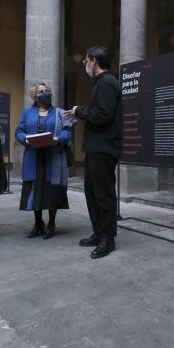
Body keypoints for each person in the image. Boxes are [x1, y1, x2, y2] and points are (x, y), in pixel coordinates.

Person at [65, 45, 122, 259]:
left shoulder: (107, 82)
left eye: (86, 60)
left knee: (103, 195)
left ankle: (108, 238)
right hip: (95, 147)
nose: (85, 65)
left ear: (93, 61)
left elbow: (104, 114)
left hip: (103, 148)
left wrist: (80, 111)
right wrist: (82, 114)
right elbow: (99, 114)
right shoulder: (102, 82)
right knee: (92, 193)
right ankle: (99, 233)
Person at [16, 83, 75, 240]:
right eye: (41, 91)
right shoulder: (27, 113)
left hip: (53, 156)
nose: (45, 93)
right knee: (36, 190)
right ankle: (38, 223)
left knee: (51, 190)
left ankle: (51, 224)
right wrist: (25, 139)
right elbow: (19, 132)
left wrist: (58, 139)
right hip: (33, 156)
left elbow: (67, 131)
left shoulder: (59, 113)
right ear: (35, 96)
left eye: (47, 90)